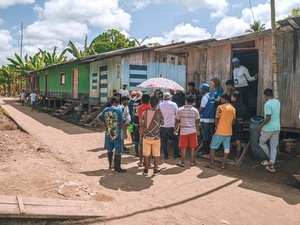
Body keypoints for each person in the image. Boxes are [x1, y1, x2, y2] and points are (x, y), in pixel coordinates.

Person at [96, 97, 127, 173]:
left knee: (109, 149)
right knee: (118, 151)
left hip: (108, 132)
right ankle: (117, 167)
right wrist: (125, 132)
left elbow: (98, 118)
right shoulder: (119, 110)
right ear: (117, 103)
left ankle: (110, 164)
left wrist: (104, 125)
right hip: (117, 132)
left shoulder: (106, 110)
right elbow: (122, 122)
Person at [206, 93, 236, 169]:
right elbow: (233, 121)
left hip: (220, 131)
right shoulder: (233, 108)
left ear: (223, 99)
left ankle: (211, 164)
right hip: (228, 131)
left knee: (212, 147)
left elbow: (216, 119)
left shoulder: (220, 107)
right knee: (226, 148)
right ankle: (223, 164)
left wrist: (216, 126)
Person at [257, 88, 280, 173]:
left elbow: (268, 118)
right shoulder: (277, 102)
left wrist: (260, 125)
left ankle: (270, 158)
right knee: (273, 146)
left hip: (269, 127)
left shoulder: (267, 104)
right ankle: (271, 164)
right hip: (277, 127)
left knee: (261, 142)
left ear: (266, 96)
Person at [140, 96, 164, 176]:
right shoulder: (159, 113)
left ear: (150, 103)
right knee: (156, 154)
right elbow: (163, 123)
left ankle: (146, 170)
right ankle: (155, 169)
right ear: (157, 104)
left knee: (146, 154)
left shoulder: (145, 113)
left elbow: (142, 125)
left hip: (146, 136)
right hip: (156, 137)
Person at [174, 95, 200, 167]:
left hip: (183, 131)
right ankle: (192, 161)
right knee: (192, 147)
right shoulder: (195, 110)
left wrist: (175, 129)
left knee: (183, 147)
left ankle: (182, 162)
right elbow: (197, 121)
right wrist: (198, 130)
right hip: (192, 130)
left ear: (186, 101)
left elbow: (177, 121)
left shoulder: (180, 109)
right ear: (193, 102)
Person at [159, 92, 179, 159]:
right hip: (171, 125)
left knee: (164, 141)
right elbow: (177, 113)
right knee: (175, 140)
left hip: (163, 126)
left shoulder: (160, 105)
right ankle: (176, 154)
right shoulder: (174, 104)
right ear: (170, 97)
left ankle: (166, 155)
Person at [197, 83, 215, 155]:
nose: (201, 91)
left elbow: (201, 109)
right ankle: (209, 149)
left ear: (204, 90)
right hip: (211, 118)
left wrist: (197, 115)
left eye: (202, 89)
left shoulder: (205, 97)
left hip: (205, 118)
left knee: (205, 136)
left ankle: (205, 150)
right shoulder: (212, 96)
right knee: (210, 135)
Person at [230, 91, 247, 161]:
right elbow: (245, 117)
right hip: (240, 125)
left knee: (228, 141)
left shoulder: (232, 106)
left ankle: (227, 155)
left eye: (232, 96)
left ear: (234, 97)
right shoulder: (243, 107)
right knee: (238, 141)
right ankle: (237, 157)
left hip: (232, 126)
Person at [137, 93, 151, 166]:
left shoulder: (139, 107)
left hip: (141, 128)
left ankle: (140, 161)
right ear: (149, 100)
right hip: (149, 128)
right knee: (150, 145)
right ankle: (148, 162)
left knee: (141, 145)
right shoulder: (150, 107)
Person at [132, 91, 143, 157]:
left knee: (136, 139)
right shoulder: (140, 103)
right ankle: (140, 153)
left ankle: (136, 153)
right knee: (141, 139)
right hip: (139, 122)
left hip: (135, 122)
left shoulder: (134, 103)